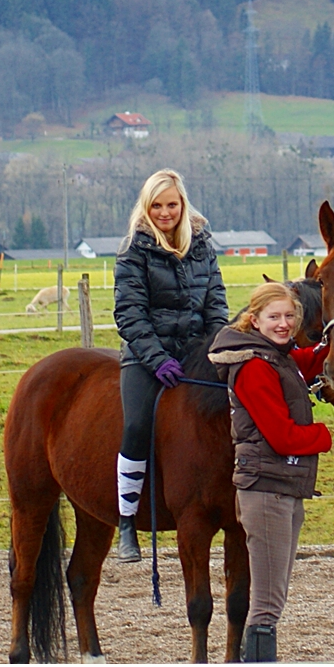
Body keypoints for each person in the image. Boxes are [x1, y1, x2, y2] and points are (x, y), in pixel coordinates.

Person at [208, 283, 332, 663]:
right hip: (266, 490)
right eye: (274, 317)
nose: (283, 324)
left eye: (289, 317)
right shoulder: (255, 367)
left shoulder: (278, 356)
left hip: (283, 487)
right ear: (254, 319)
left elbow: (305, 361)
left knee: (274, 595)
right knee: (266, 603)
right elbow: (281, 436)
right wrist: (323, 436)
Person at [113, 169, 230, 562]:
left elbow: (216, 303)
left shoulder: (202, 245)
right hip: (148, 358)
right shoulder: (134, 250)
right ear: (147, 208)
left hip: (198, 355)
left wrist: (215, 349)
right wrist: (157, 358)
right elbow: (129, 314)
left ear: (183, 206)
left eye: (172, 205)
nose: (165, 213)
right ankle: (127, 520)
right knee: (135, 424)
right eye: (157, 205)